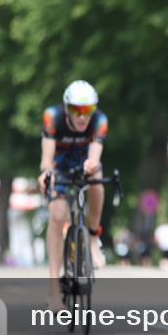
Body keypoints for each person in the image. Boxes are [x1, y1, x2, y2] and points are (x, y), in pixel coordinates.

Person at [37, 80, 109, 311]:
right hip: (59, 167)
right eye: (76, 110)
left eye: (87, 110)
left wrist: (92, 164)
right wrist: (46, 174)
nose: (82, 116)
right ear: (66, 108)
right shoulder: (52, 117)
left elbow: (95, 157)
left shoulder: (100, 120)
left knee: (97, 181)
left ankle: (93, 239)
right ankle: (54, 289)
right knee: (58, 216)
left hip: (83, 164)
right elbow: (47, 159)